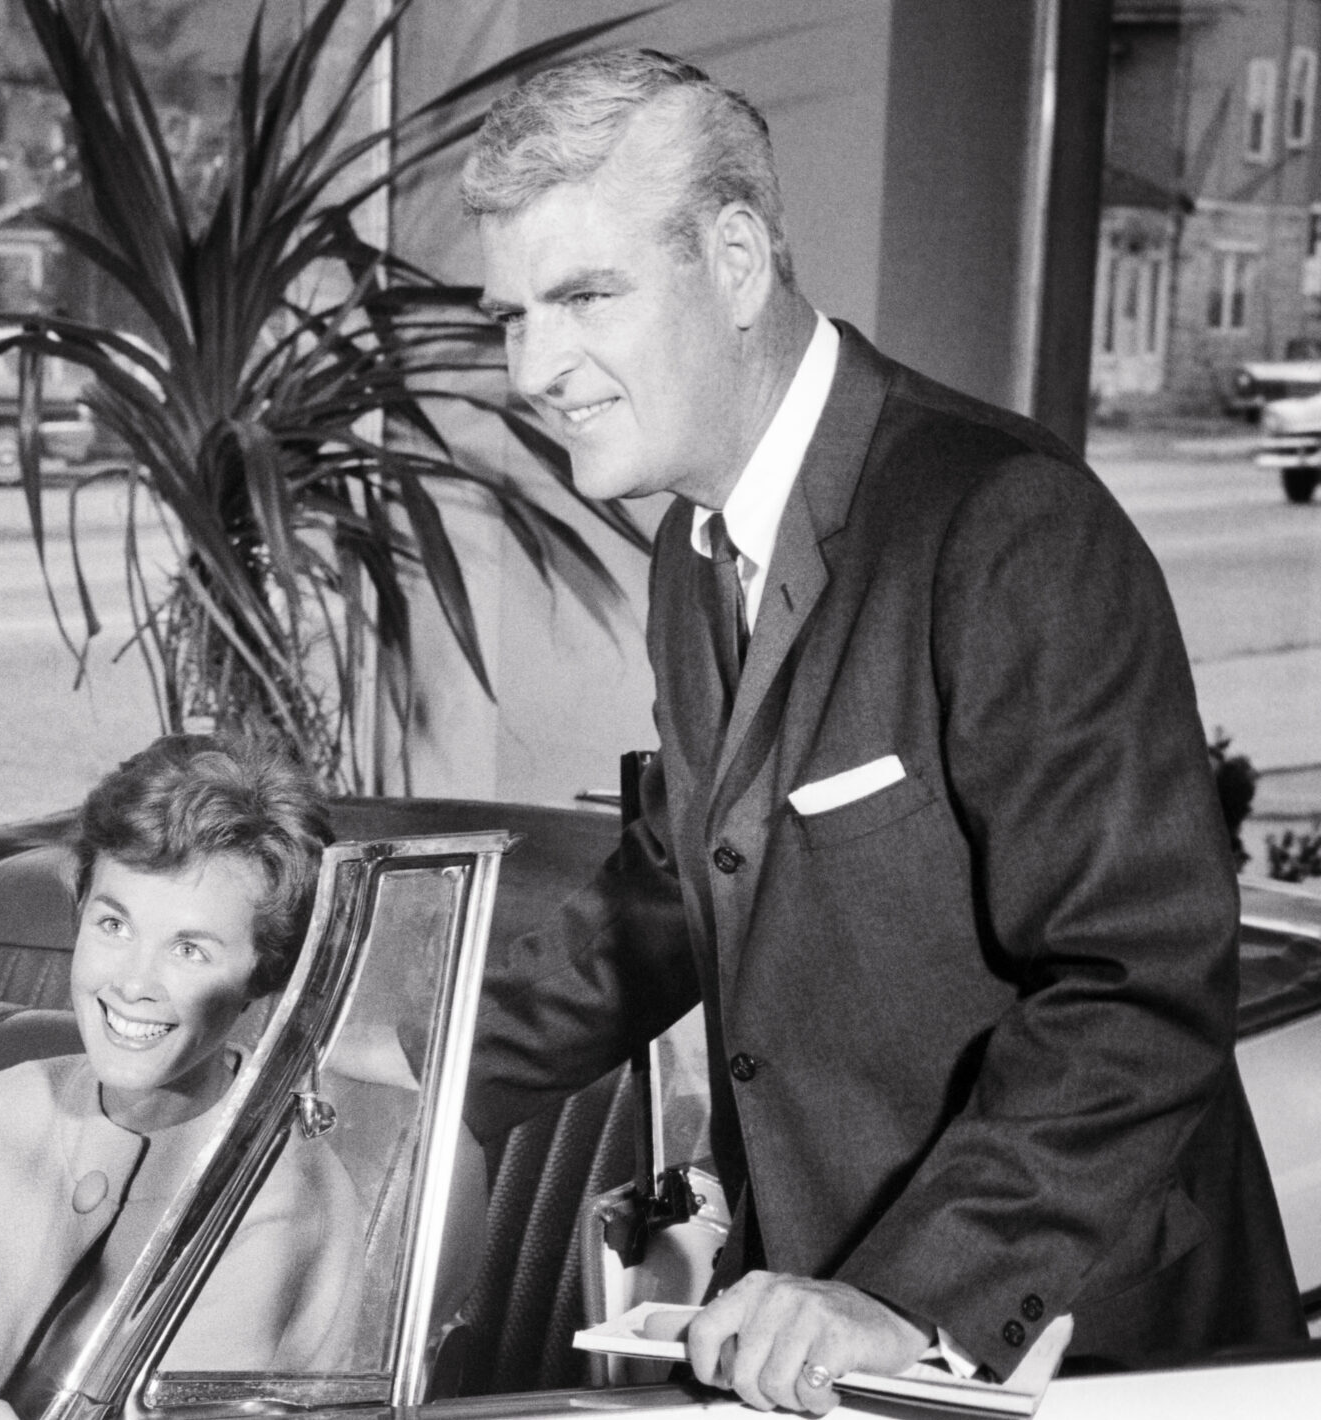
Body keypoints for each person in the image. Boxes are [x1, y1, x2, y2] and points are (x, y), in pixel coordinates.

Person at [455, 50, 1301, 1414]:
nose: (536, 367)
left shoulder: (1006, 523)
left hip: (1074, 1345)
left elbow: (1138, 985)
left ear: (735, 262)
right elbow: (685, 884)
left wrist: (904, 1292)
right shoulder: (693, 548)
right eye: (511, 315)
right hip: (826, 1337)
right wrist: (420, 1073)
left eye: (586, 296)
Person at [0, 736, 361, 1420]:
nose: (134, 983)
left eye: (189, 949)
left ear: (265, 971)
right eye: (114, 924)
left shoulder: (284, 1203)